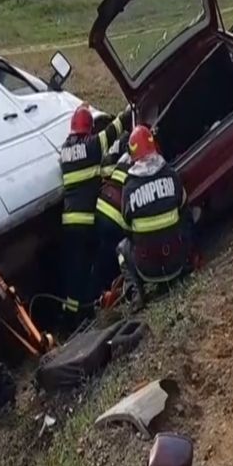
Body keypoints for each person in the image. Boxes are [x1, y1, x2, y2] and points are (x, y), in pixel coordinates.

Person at [59, 104, 133, 311]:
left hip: (68, 221)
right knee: (88, 266)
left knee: (74, 269)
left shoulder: (64, 151)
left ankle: (70, 312)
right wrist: (129, 111)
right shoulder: (92, 146)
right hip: (87, 220)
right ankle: (86, 309)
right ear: (89, 129)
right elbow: (114, 129)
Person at [117, 125, 190, 311]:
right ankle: (188, 262)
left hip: (147, 268)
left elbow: (126, 228)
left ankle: (137, 293)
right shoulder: (171, 175)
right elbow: (184, 210)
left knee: (121, 249)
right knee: (185, 222)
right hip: (176, 262)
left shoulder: (129, 188)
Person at [93, 139, 132, 295]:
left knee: (101, 254)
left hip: (100, 208)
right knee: (116, 257)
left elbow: (106, 173)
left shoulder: (124, 158)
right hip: (117, 219)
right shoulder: (145, 166)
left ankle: (98, 293)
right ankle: (110, 291)